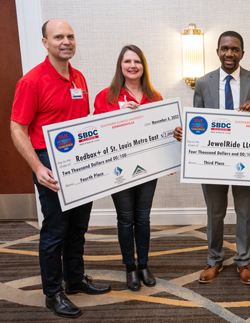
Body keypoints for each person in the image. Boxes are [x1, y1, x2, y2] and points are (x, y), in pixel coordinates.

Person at [10, 19, 110, 318]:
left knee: (78, 227)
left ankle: (75, 279)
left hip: (80, 162)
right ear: (45, 42)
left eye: (70, 36)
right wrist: (38, 167)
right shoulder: (32, 81)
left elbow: (84, 122)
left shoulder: (78, 77)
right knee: (55, 231)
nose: (66, 42)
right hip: (49, 162)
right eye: (58, 37)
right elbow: (17, 128)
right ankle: (53, 293)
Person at [174, 31, 250, 285]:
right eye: (225, 49)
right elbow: (198, 121)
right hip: (212, 161)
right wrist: (187, 134)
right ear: (217, 51)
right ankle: (214, 259)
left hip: (246, 160)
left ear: (242, 53)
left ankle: (244, 260)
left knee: (245, 212)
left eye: (235, 49)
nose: (230, 54)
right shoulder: (204, 83)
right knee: (214, 213)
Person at [94, 45, 163, 291]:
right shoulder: (106, 97)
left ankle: (143, 264)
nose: (132, 66)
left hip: (147, 169)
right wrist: (118, 114)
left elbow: (162, 136)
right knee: (125, 219)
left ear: (143, 66)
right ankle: (130, 268)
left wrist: (169, 159)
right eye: (127, 62)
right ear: (120, 66)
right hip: (118, 171)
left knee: (142, 218)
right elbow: (96, 133)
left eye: (137, 61)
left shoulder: (155, 97)